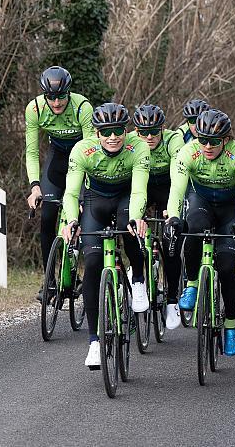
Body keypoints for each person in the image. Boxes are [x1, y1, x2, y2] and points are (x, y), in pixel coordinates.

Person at [61, 103, 150, 368]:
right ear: (97, 133)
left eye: (118, 131)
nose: (112, 137)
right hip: (95, 202)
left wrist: (136, 217)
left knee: (129, 228)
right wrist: (72, 221)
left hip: (125, 198)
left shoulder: (139, 147)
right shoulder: (82, 150)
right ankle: (94, 342)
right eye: (106, 131)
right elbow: (71, 192)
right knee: (92, 265)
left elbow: (139, 191)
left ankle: (138, 278)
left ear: (126, 131)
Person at [165, 109, 235, 356]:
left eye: (213, 141)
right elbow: (177, 189)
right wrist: (173, 216)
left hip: (230, 207)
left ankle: (230, 327)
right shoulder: (188, 152)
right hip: (200, 201)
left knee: (226, 267)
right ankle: (193, 284)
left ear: (225, 139)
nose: (207, 145)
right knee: (193, 229)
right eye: (202, 139)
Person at [25, 66, 95, 301]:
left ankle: (78, 269)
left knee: (83, 213)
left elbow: (91, 151)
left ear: (69, 93)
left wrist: (85, 194)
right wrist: (35, 186)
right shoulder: (35, 109)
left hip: (81, 157)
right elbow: (32, 151)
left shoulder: (82, 107)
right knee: (46, 216)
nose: (56, 103)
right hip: (56, 158)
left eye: (61, 96)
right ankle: (49, 282)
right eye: (51, 97)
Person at [132, 104, 185, 330]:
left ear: (163, 128)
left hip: (167, 188)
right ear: (136, 131)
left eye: (154, 131)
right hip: (141, 187)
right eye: (143, 132)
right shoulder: (129, 141)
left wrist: (172, 210)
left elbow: (178, 175)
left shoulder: (174, 141)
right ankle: (136, 280)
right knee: (133, 232)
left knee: (170, 244)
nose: (149, 136)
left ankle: (172, 300)